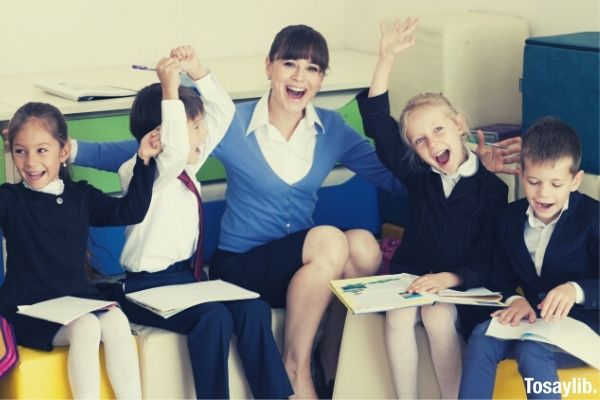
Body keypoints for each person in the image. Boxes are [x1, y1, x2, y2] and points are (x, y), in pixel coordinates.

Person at [61, 24, 520, 398]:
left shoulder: (333, 129)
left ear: (322, 79)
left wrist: (473, 167)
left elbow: (400, 175)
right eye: (290, 64)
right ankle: (296, 368)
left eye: (313, 69)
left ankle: (331, 355)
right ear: (270, 67)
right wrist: (67, 148)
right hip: (243, 266)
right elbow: (148, 148)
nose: (300, 77)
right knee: (331, 240)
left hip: (304, 271)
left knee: (361, 244)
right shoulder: (234, 123)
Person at [356, 17, 521, 399]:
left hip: (463, 289)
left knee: (436, 313)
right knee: (400, 313)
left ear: (459, 124)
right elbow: (378, 123)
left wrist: (450, 279)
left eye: (438, 130)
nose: (431, 144)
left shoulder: (491, 190)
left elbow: (492, 262)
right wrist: (385, 59)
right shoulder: (419, 176)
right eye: (419, 140)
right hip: (412, 278)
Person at [116, 46, 292, 399]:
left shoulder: (186, 168)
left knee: (254, 309)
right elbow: (176, 148)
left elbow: (222, 114)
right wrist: (169, 90)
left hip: (186, 281)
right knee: (214, 319)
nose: (201, 136)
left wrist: (198, 73)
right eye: (193, 127)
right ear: (158, 136)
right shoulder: (142, 172)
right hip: (146, 287)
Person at [0, 101, 159, 399]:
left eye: (41, 150)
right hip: (27, 309)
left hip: (76, 302)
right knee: (85, 326)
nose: (30, 162)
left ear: (63, 152)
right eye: (20, 151)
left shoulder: (80, 196)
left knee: (116, 320)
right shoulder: (9, 200)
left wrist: (144, 160)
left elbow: (131, 211)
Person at [459, 117, 598, 400]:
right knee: (482, 337)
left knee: (531, 351)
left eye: (556, 184)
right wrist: (514, 299)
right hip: (534, 319)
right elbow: (498, 275)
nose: (543, 193)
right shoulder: (509, 218)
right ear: (521, 174)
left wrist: (575, 290)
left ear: (575, 181)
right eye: (534, 182)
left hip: (586, 324)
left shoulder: (594, 218)